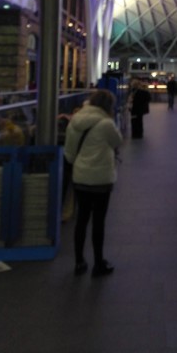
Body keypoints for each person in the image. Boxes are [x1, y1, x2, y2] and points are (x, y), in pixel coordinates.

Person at [64, 89, 123, 276]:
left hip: (81, 176)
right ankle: (99, 262)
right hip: (101, 179)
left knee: (81, 219)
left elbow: (69, 151)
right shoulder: (106, 123)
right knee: (98, 221)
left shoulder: (75, 120)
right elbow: (117, 141)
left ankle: (79, 261)